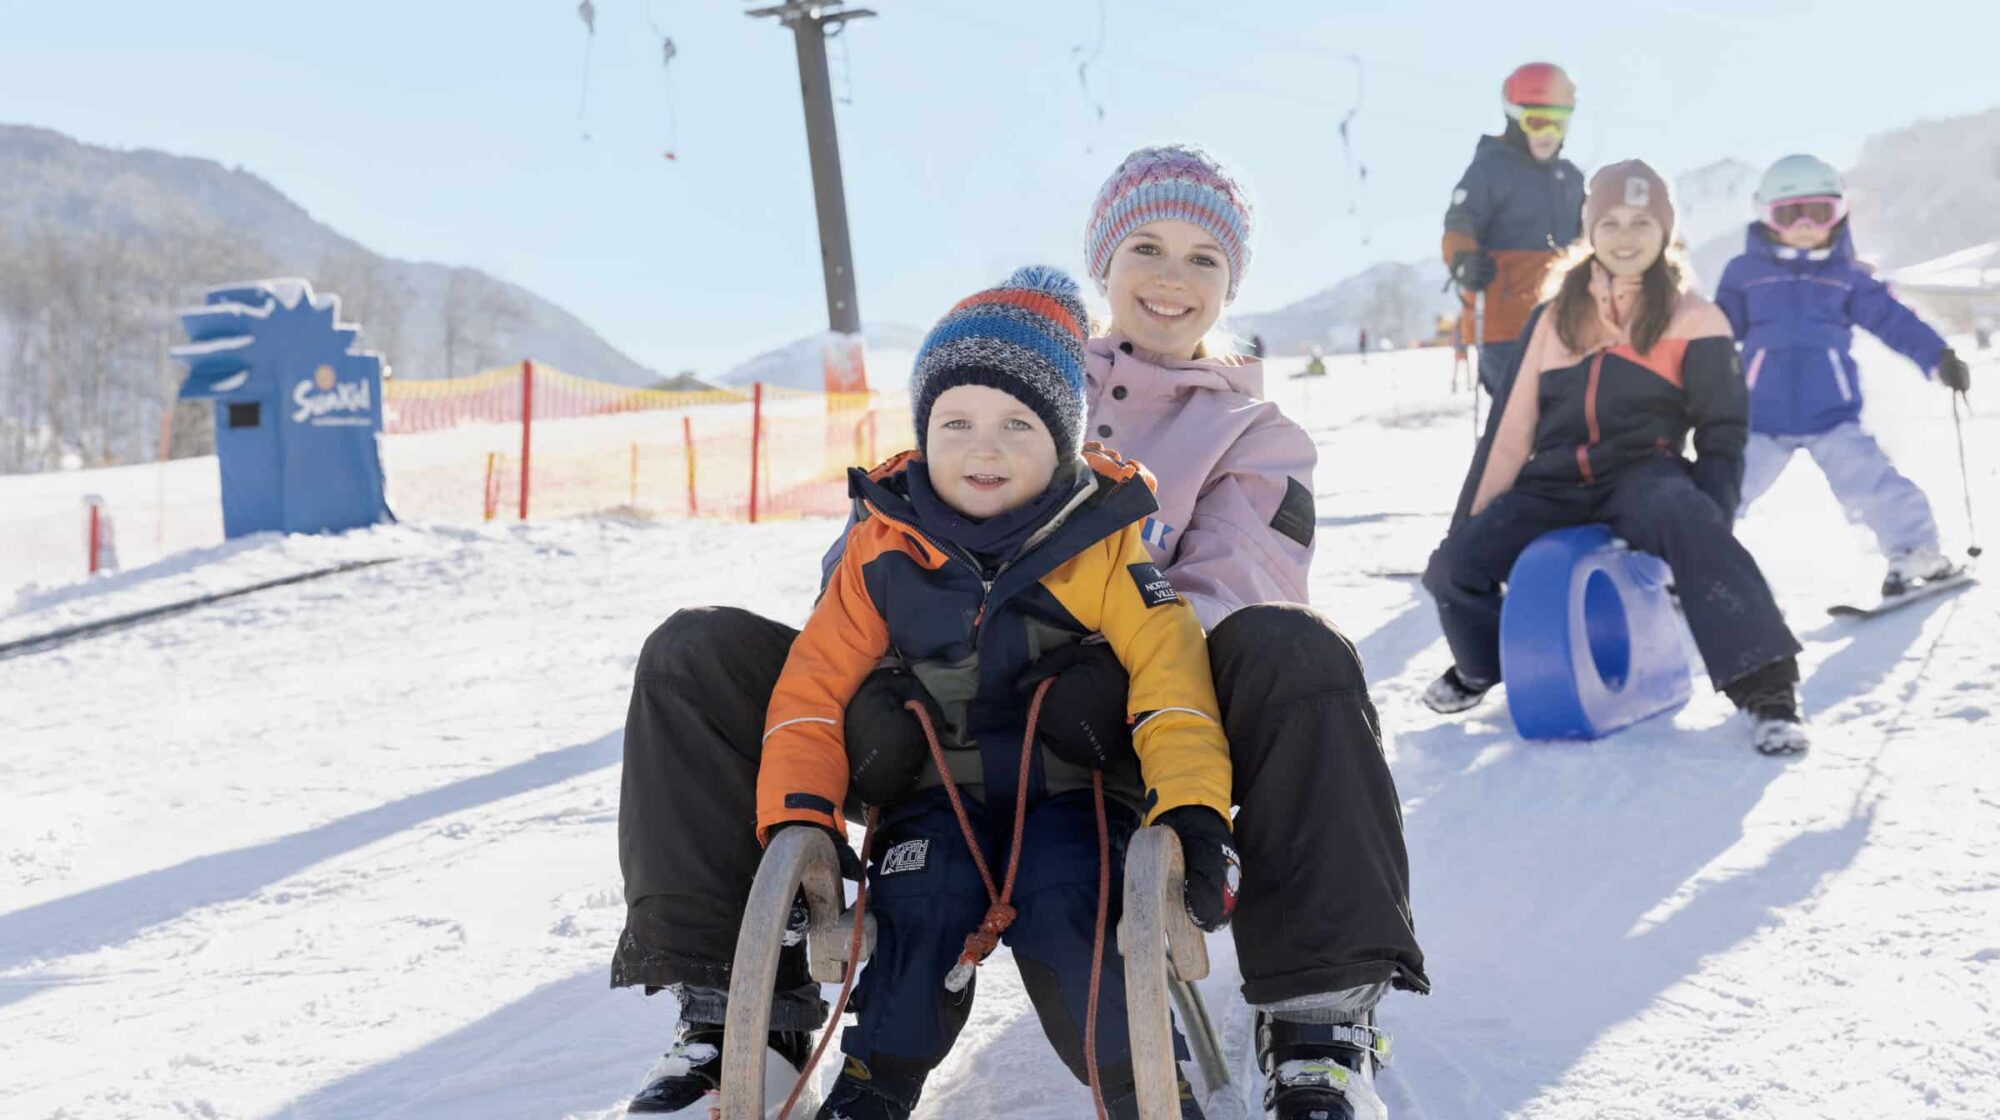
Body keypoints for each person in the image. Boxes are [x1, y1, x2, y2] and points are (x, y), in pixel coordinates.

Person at [615, 144, 1427, 1120]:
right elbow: (864, 566)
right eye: (1145, 245)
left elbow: (1231, 604)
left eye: (1203, 259)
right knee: (695, 653)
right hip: (930, 720)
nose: (1170, 278)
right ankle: (737, 1024)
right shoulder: (999, 361)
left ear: (1232, 282)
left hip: (1110, 737)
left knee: (1299, 654)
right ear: (1102, 259)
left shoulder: (1251, 436)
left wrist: (1079, 635)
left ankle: (1314, 1033)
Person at [753, 265, 1236, 1118]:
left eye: (1019, 423)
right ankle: (872, 1089)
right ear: (924, 431)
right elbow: (813, 694)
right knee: (915, 926)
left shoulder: (1104, 547)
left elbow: (1173, 685)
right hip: (933, 804)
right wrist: (800, 817)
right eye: (958, 421)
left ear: (1064, 443)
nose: (985, 447)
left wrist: (1191, 807)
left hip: (1071, 799)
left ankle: (1142, 1090)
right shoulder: (882, 551)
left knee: (1081, 932)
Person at [1421, 160, 1811, 755]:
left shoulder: (1693, 315)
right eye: (1611, 222)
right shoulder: (1552, 317)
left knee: (1687, 516)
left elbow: (1722, 428)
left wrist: (1710, 516)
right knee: (1453, 567)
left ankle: (1768, 689)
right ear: (1589, 228)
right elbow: (1509, 430)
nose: (1626, 237)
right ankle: (1482, 665)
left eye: (1641, 223)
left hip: (1642, 475)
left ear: (1665, 232)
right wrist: (1466, 526)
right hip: (1551, 483)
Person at [1716, 154, 1974, 597]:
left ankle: (1917, 555)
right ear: (1766, 216)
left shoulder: (1846, 277)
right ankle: (1689, 568)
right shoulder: (1745, 273)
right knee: (1724, 488)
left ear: (1838, 213)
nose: (1803, 224)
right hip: (1761, 418)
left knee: (1873, 482)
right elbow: (1715, 333)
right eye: (1788, 213)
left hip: (1830, 414)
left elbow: (1893, 321)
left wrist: (1938, 356)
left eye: (1817, 212)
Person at [1441, 62, 1586, 396]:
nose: (1548, 133)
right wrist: (1463, 259)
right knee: (1520, 411)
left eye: (1558, 122)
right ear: (1513, 118)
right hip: (1504, 324)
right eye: (1537, 122)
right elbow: (1460, 221)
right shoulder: (1490, 169)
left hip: (1563, 318)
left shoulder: (1571, 178)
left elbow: (1590, 234)